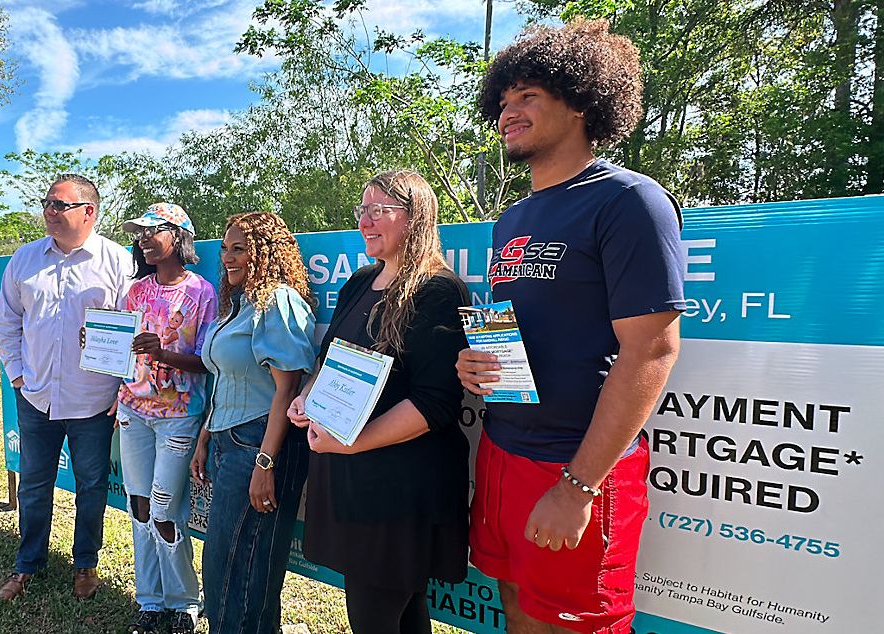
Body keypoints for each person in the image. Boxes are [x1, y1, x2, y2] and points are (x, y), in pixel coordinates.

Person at [456, 19, 685, 634]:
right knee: (514, 611)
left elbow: (652, 353)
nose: (509, 111)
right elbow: (524, 335)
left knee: (572, 627)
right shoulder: (512, 219)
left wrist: (577, 487)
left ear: (583, 98)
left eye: (528, 95)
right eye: (503, 100)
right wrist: (474, 365)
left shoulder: (630, 201)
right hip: (503, 451)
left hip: (576, 467)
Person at [287, 169, 471, 634]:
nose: (366, 222)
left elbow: (436, 403)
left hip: (398, 491)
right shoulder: (360, 281)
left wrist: (351, 443)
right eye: (362, 211)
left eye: (380, 210)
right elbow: (330, 359)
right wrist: (306, 397)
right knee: (401, 615)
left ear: (416, 218)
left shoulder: (438, 291)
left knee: (375, 617)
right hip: (350, 479)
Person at [0, 174, 136, 603]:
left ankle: (85, 565)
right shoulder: (25, 259)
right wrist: (18, 375)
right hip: (36, 396)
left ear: (88, 212)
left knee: (92, 486)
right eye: (47, 204)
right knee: (35, 483)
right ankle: (27, 565)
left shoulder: (117, 262)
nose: (49, 212)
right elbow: (8, 321)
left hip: (93, 399)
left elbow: (133, 329)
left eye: (60, 205)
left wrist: (121, 387)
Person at [191, 213, 316, 634]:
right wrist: (205, 438)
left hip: (260, 442)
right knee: (227, 563)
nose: (228, 257)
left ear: (264, 251)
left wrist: (265, 465)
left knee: (241, 570)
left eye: (240, 248)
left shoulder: (276, 302)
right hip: (229, 439)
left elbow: (287, 390)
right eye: (225, 248)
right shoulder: (237, 305)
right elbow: (224, 378)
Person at [116, 203, 217, 634]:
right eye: (138, 233)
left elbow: (209, 362)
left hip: (178, 416)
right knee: (138, 506)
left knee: (163, 511)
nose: (142, 239)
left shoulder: (202, 293)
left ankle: (185, 603)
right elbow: (123, 345)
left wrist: (165, 354)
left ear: (178, 236)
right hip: (131, 410)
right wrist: (98, 341)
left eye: (151, 230)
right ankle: (150, 600)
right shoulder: (136, 290)